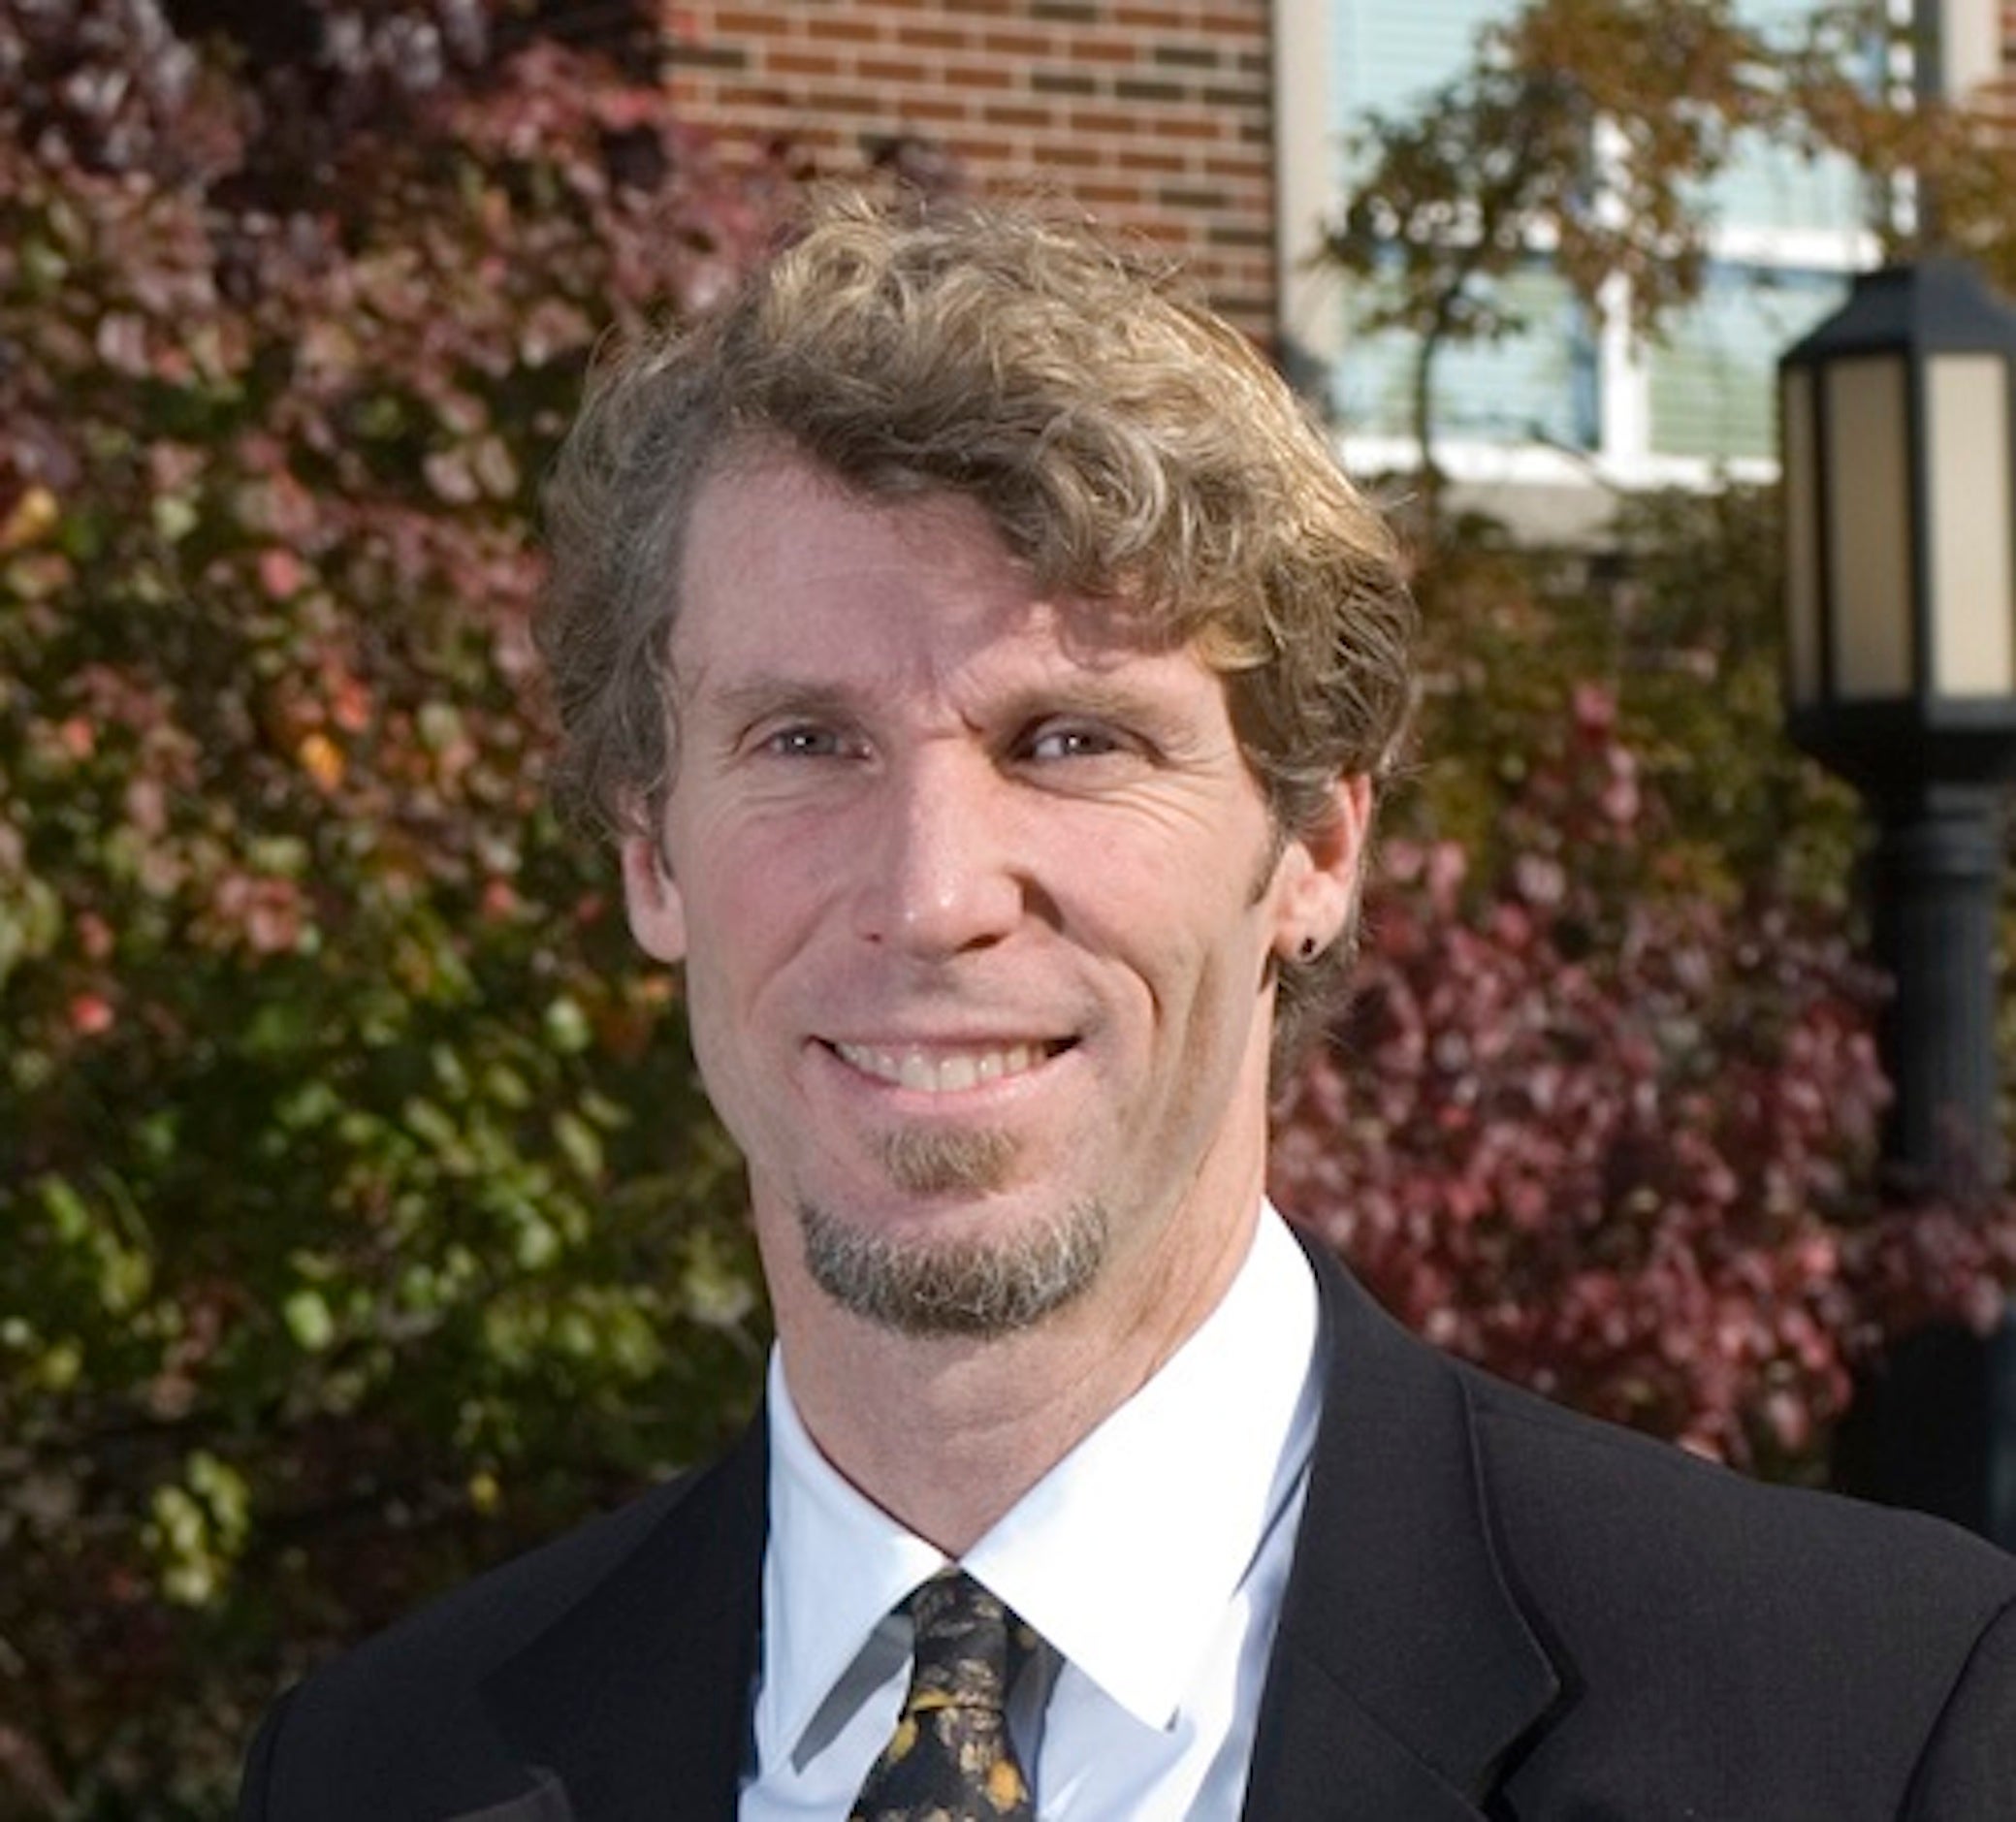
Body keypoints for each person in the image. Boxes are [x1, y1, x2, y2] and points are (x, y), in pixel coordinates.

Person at [239, 189, 2016, 1822]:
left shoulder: (1865, 1721)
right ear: (652, 857)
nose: (935, 897)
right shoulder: (376, 1769)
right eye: (806, 741)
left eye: (1068, 741)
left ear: (1312, 848)